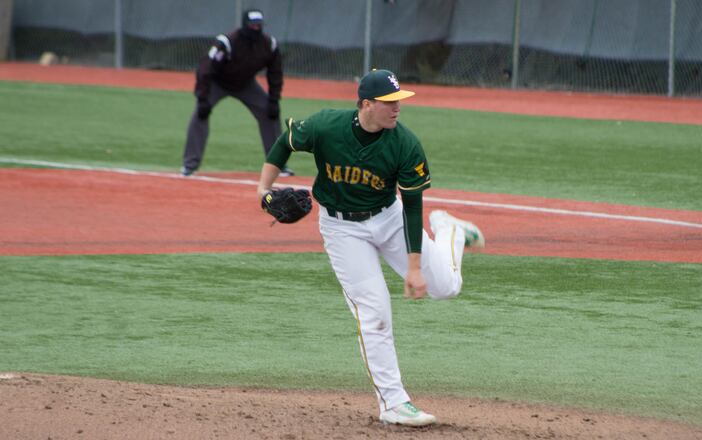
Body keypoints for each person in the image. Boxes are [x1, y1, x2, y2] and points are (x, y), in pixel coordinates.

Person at [256, 69, 485, 427]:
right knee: (374, 310)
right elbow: (285, 142)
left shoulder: (405, 144)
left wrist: (414, 267)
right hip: (342, 229)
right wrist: (263, 189)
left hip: (390, 218)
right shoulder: (326, 126)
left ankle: (450, 232)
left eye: (399, 101)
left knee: (445, 287)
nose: (397, 108)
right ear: (366, 104)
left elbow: (412, 208)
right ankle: (393, 403)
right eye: (389, 102)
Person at [181, 9, 293, 177]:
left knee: (269, 112)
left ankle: (278, 165)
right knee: (200, 114)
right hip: (218, 82)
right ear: (245, 25)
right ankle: (190, 165)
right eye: (253, 25)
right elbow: (205, 68)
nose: (256, 28)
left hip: (246, 84)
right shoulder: (227, 42)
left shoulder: (269, 44)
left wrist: (274, 99)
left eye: (259, 25)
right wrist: (202, 97)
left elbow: (275, 72)